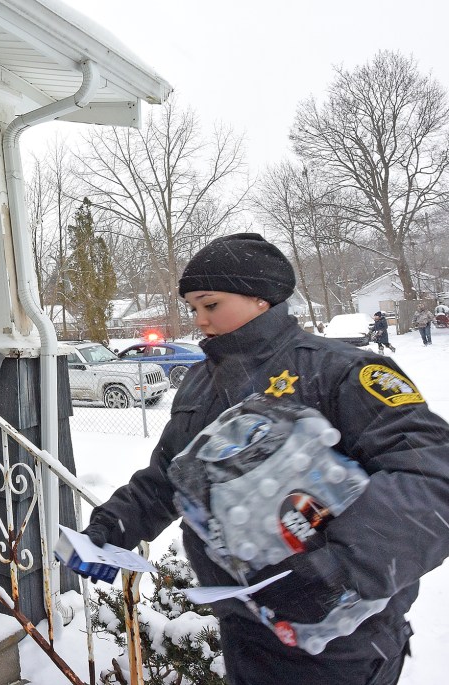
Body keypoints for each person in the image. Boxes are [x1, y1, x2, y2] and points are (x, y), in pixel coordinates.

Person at [81, 233, 449, 684]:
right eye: (192, 308)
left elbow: (432, 476)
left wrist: (339, 569)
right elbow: (169, 477)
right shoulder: (200, 382)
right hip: (247, 629)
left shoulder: (338, 370)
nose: (199, 320)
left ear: (261, 298)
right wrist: (114, 525)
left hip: (341, 641)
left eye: (210, 305)